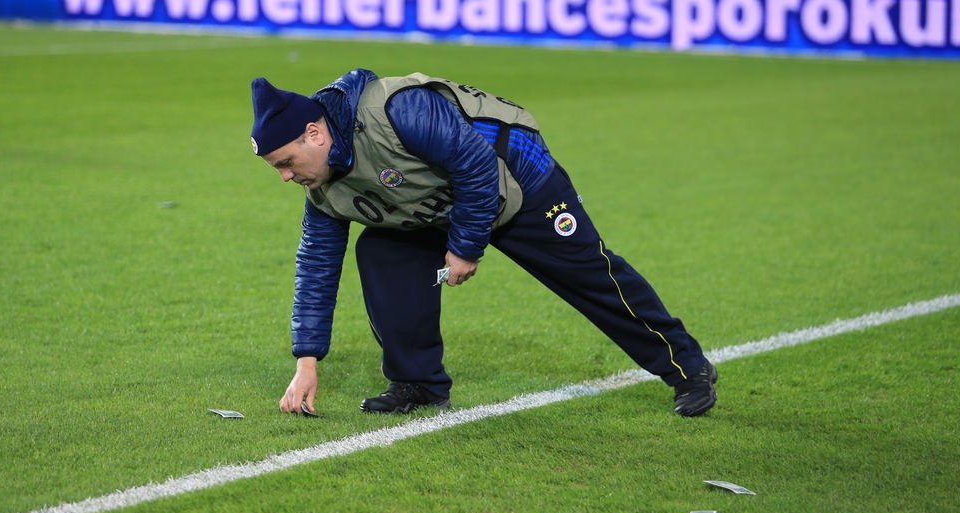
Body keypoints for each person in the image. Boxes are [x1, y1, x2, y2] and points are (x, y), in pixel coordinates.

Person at [249, 69, 719, 418]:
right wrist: (306, 361)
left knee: (592, 277)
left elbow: (476, 166)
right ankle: (419, 383)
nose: (287, 176)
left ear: (315, 134)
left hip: (517, 180)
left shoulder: (398, 109)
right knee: (381, 252)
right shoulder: (322, 187)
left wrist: (466, 247)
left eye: (286, 162)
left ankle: (687, 367)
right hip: (432, 205)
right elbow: (316, 267)